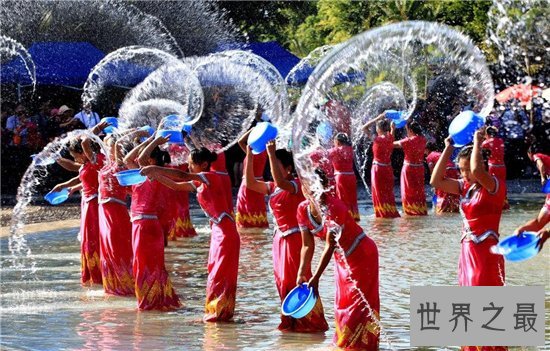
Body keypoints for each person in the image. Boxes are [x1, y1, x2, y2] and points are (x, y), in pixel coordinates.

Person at [141, 146, 240, 322]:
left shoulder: (210, 177)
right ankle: (215, 312)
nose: (188, 167)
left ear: (203, 164)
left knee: (220, 274)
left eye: (191, 164)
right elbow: (176, 186)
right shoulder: (199, 182)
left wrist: (155, 168)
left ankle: (219, 314)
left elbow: (183, 176)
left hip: (226, 234)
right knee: (213, 272)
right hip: (218, 232)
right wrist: (155, 176)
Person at [244, 140, 329, 332]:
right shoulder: (272, 187)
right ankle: (290, 322)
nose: (272, 169)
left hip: (294, 240)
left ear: (289, 168)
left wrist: (272, 153)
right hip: (278, 241)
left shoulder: (296, 185)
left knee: (296, 280)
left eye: (276, 165)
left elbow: (282, 182)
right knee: (282, 281)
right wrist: (249, 154)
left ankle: (310, 323)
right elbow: (249, 183)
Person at [296, 169, 380, 350]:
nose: (308, 189)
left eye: (312, 185)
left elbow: (330, 245)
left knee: (358, 305)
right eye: (305, 185)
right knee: (343, 303)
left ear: (323, 187)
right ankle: (346, 343)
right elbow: (307, 245)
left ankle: (363, 345)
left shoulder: (335, 208)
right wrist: (302, 271)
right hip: (342, 259)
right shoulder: (302, 209)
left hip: (362, 254)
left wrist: (316, 277)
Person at [430, 127, 506, 288]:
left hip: (487, 251)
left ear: (482, 165)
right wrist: (448, 148)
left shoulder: (494, 185)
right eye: (461, 170)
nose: (464, 174)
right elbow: (435, 181)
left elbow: (477, 171)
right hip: (467, 249)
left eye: (467, 169)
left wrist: (478, 142)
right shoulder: (464, 187)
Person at [122, 136, 181, 310]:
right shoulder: (142, 175)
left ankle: (148, 303)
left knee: (144, 265)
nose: (139, 160)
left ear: (151, 160)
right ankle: (153, 301)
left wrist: (154, 141)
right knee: (147, 264)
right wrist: (147, 141)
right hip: (144, 225)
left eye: (144, 156)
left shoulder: (152, 173)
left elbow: (137, 159)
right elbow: (127, 159)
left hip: (145, 226)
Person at [52, 136, 105, 285]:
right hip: (87, 203)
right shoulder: (87, 164)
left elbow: (85, 143)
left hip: (94, 204)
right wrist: (66, 186)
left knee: (93, 239)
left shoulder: (96, 161)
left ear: (83, 153)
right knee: (87, 240)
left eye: (75, 156)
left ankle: (99, 274)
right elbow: (81, 178)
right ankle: (91, 274)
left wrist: (90, 132)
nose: (76, 159)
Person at [96, 128, 143, 296]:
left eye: (109, 147)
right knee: (108, 248)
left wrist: (133, 132)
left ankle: (126, 285)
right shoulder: (106, 166)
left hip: (115, 211)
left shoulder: (120, 165)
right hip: (103, 211)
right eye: (106, 147)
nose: (106, 149)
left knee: (117, 247)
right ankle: (113, 285)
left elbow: (117, 143)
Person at [362, 114, 400, 218]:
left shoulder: (377, 139)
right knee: (388, 192)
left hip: (378, 169)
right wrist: (393, 127)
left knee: (379, 192)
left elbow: (364, 128)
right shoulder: (390, 137)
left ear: (378, 129)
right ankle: (390, 212)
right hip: (388, 168)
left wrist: (376, 118)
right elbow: (392, 131)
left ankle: (382, 214)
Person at [514, 149, 550, 249]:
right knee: (539, 222)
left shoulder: (536, 156)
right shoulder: (544, 156)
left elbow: (541, 165)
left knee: (539, 223)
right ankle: (520, 231)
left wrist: (542, 178)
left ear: (529, 153)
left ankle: (521, 231)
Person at [235, 129, 269, 230]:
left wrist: (252, 130)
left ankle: (247, 234)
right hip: (257, 183)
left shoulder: (254, 152)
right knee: (256, 210)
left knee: (246, 210)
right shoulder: (262, 151)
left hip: (249, 183)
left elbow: (240, 141)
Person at [393, 120, 428, 215]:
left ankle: (410, 213)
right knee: (419, 191)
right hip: (420, 168)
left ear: (411, 131)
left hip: (409, 169)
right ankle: (420, 211)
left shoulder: (408, 141)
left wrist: (392, 130)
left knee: (408, 192)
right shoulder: (423, 139)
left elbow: (390, 144)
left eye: (407, 130)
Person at [328, 132, 360, 221]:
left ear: (337, 142)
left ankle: (344, 219)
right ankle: (354, 218)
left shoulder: (335, 150)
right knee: (352, 199)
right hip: (351, 176)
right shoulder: (350, 149)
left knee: (342, 199)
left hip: (341, 177)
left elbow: (321, 155)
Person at [426, 142, 460, 214]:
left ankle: (443, 210)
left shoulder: (430, 156)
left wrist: (434, 183)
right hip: (453, 170)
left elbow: (432, 169)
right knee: (452, 191)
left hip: (446, 171)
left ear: (427, 149)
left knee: (442, 191)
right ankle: (453, 209)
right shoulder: (439, 153)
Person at [482, 126, 509, 209]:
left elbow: (480, 151)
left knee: (492, 184)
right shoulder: (501, 141)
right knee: (502, 185)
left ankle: (492, 203)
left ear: (487, 134)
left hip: (493, 167)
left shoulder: (486, 142)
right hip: (502, 166)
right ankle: (504, 204)